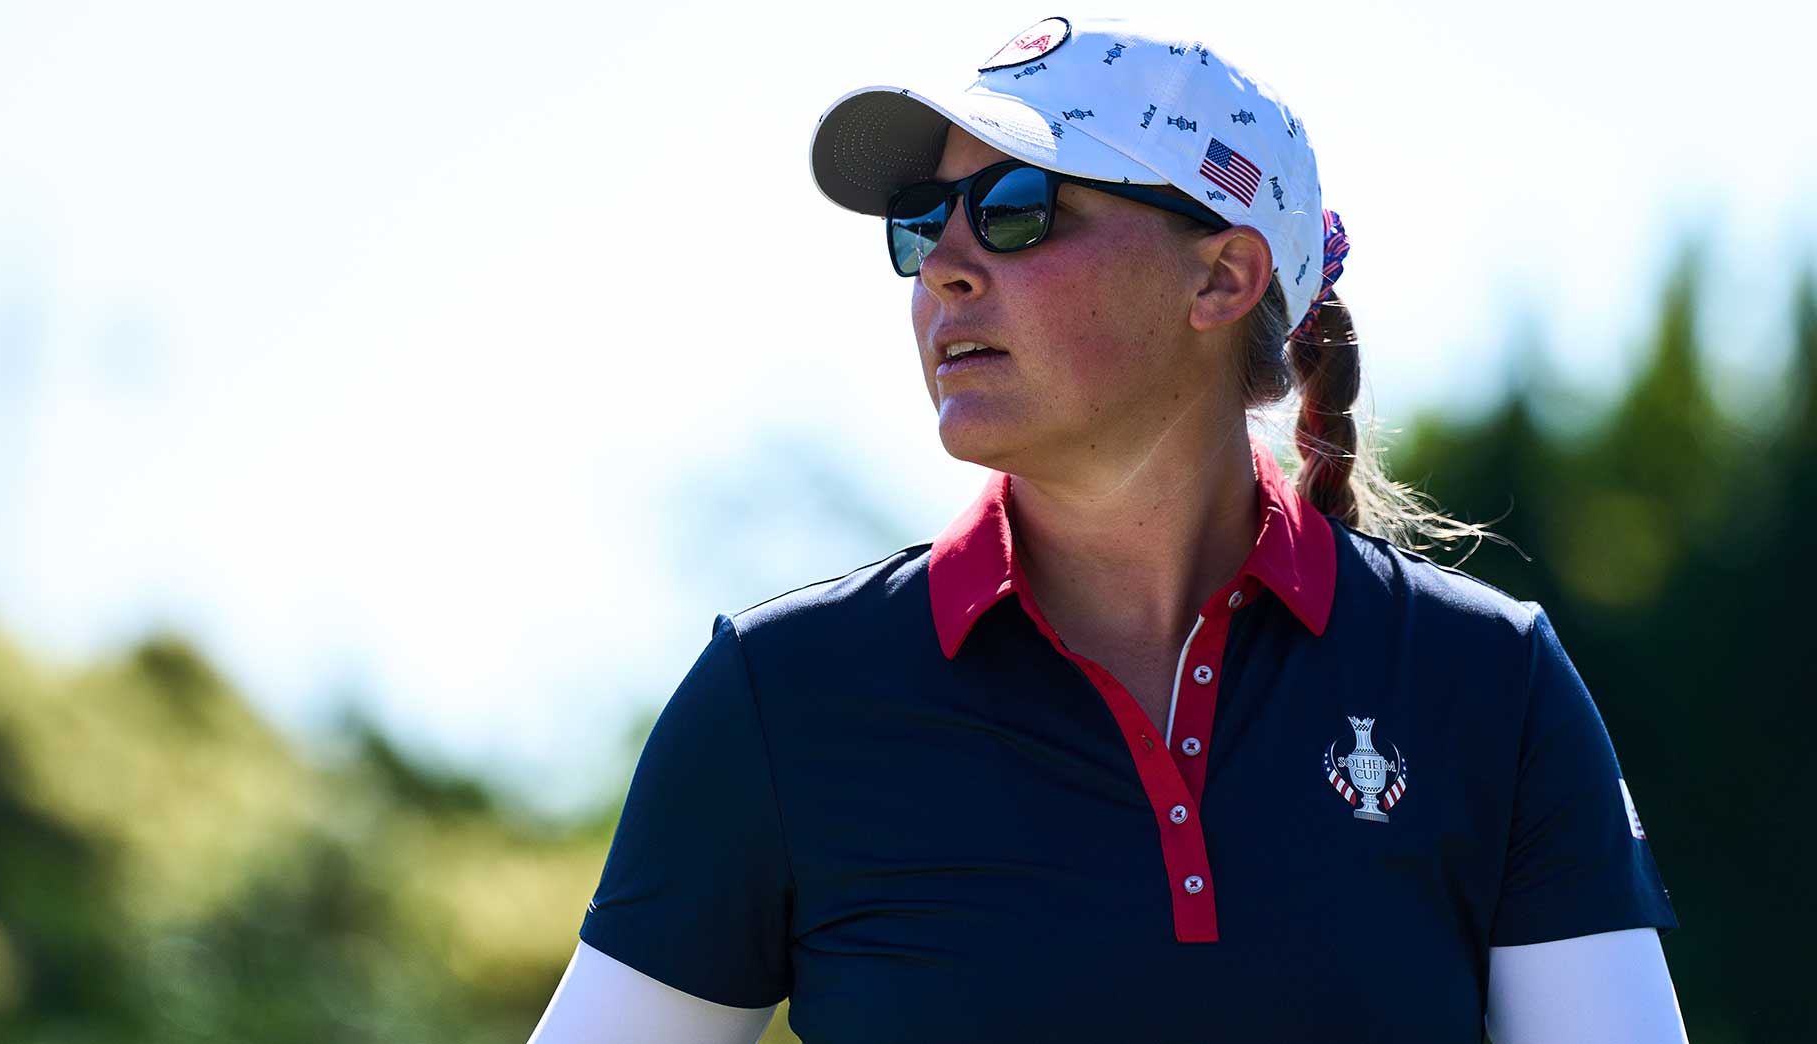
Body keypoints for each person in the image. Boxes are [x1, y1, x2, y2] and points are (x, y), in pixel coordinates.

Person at [528, 15, 1686, 1044]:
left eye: (1016, 212)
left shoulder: (1488, 683)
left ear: (1222, 276)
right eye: (919, 225)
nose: (942, 269)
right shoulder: (777, 700)